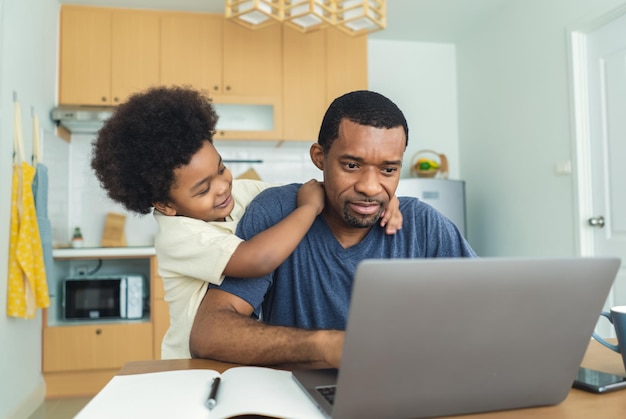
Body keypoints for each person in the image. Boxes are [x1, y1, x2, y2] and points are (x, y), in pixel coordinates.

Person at [90, 86, 403, 359]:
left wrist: (380, 200)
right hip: (189, 361)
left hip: (236, 355)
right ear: (166, 205)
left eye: (221, 168)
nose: (223, 186)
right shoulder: (177, 235)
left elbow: (309, 194)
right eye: (203, 189)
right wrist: (308, 210)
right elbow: (257, 259)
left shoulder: (235, 193)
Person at [189, 90, 477, 368]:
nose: (370, 187)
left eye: (388, 170)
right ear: (319, 157)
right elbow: (209, 333)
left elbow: (487, 313)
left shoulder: (423, 225)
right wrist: (327, 346)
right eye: (352, 165)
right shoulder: (276, 212)